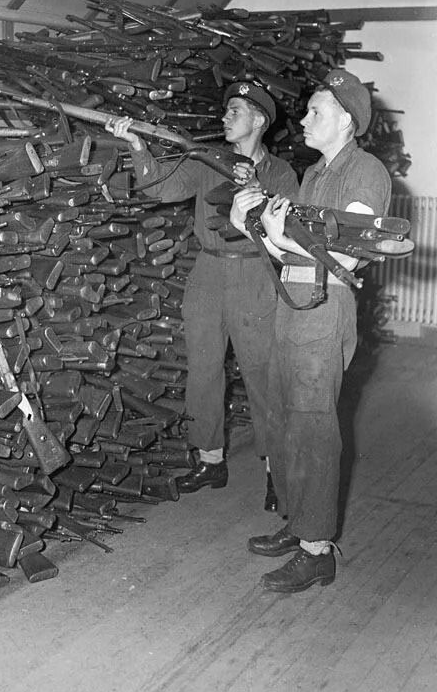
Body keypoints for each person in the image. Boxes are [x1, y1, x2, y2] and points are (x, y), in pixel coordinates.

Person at [230, 68, 391, 592]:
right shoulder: (315, 174)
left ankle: (317, 549)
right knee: (284, 418)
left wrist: (283, 235)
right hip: (294, 300)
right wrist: (251, 227)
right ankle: (298, 524)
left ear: (345, 120)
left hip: (326, 307)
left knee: (315, 427)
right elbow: (287, 250)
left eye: (315, 111)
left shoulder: (365, 173)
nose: (303, 119)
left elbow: (348, 251)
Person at [105, 82, 299, 500]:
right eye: (226, 111)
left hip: (255, 274)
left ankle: (276, 470)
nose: (225, 118)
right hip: (208, 274)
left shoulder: (281, 173)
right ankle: (210, 460)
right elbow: (160, 186)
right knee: (204, 372)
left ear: (259, 120)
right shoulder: (209, 160)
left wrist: (258, 195)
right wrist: (137, 145)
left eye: (234, 111)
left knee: (262, 375)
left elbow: (289, 231)